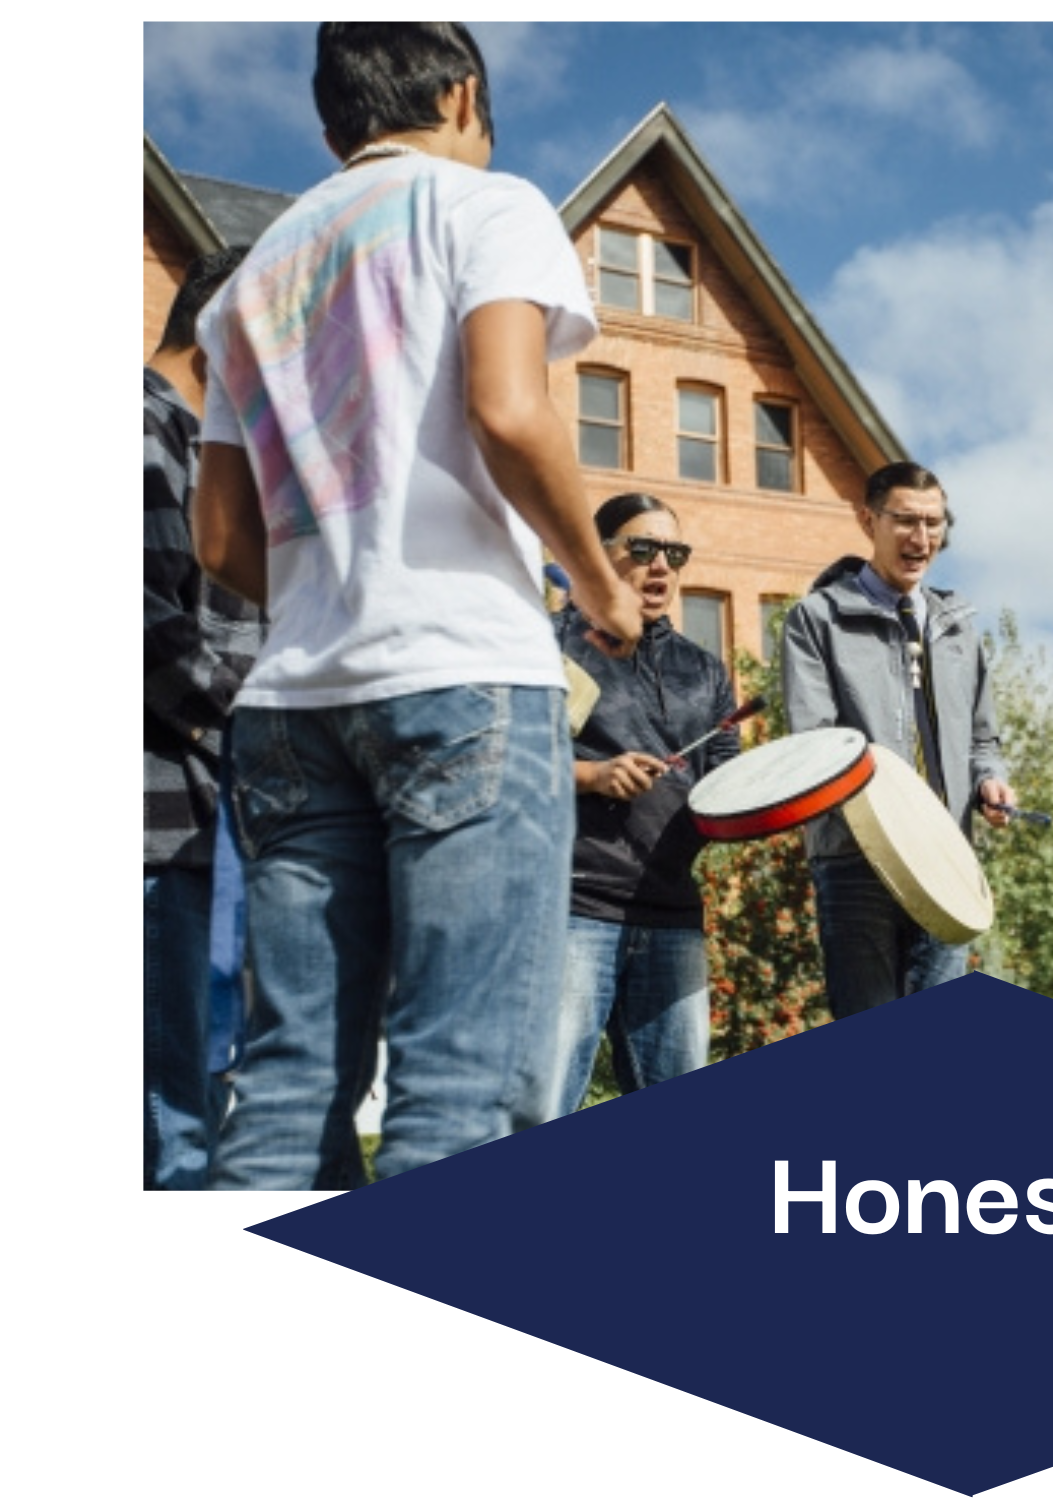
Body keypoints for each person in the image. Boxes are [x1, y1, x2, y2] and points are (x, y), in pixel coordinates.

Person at [191, 23, 642, 1188]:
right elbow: (509, 410)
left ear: (332, 121)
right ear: (460, 96)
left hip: (291, 700)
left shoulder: (247, 280)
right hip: (461, 674)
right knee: (461, 1085)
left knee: (286, 1081)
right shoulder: (485, 207)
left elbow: (220, 539)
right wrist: (595, 586)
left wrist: (332, 586)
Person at [781, 461, 1013, 1017]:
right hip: (856, 860)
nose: (922, 538)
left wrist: (991, 781)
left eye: (935, 523)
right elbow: (816, 744)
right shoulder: (818, 619)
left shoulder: (956, 624)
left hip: (947, 860)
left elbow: (984, 739)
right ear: (868, 521)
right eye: (906, 521)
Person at [549, 494, 739, 1111]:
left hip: (672, 919)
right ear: (600, 556)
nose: (661, 566)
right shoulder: (550, 644)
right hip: (571, 910)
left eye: (675, 553)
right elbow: (504, 759)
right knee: (537, 1114)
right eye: (643, 549)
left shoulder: (705, 672)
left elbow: (728, 786)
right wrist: (593, 775)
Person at [144, 245, 262, 1189]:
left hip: (204, 821)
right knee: (170, 1124)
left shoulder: (203, 447)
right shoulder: (137, 430)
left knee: (198, 1105)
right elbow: (142, 620)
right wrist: (256, 724)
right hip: (153, 830)